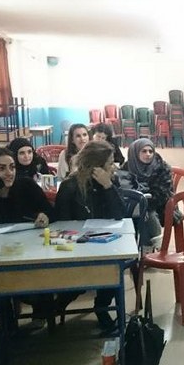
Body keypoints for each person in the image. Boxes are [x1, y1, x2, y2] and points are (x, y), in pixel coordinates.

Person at [0, 147, 55, 325]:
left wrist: (44, 216)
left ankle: (39, 312)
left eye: (12, 167)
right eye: (1, 168)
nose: (9, 173)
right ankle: (7, 322)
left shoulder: (26, 185)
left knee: (39, 287)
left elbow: (51, 212)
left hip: (29, 251)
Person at [54, 141, 125, 332]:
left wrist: (108, 186)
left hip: (104, 244)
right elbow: (60, 225)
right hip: (75, 246)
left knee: (112, 267)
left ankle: (102, 307)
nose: (114, 167)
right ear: (95, 167)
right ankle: (59, 302)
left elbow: (120, 214)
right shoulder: (69, 186)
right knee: (79, 278)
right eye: (110, 163)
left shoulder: (110, 182)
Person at [123, 138, 173, 248]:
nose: (148, 154)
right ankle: (130, 248)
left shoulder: (161, 168)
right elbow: (124, 190)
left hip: (160, 205)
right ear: (135, 152)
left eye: (151, 151)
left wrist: (143, 204)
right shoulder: (127, 167)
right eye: (144, 151)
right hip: (134, 205)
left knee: (147, 214)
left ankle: (149, 248)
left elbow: (162, 195)